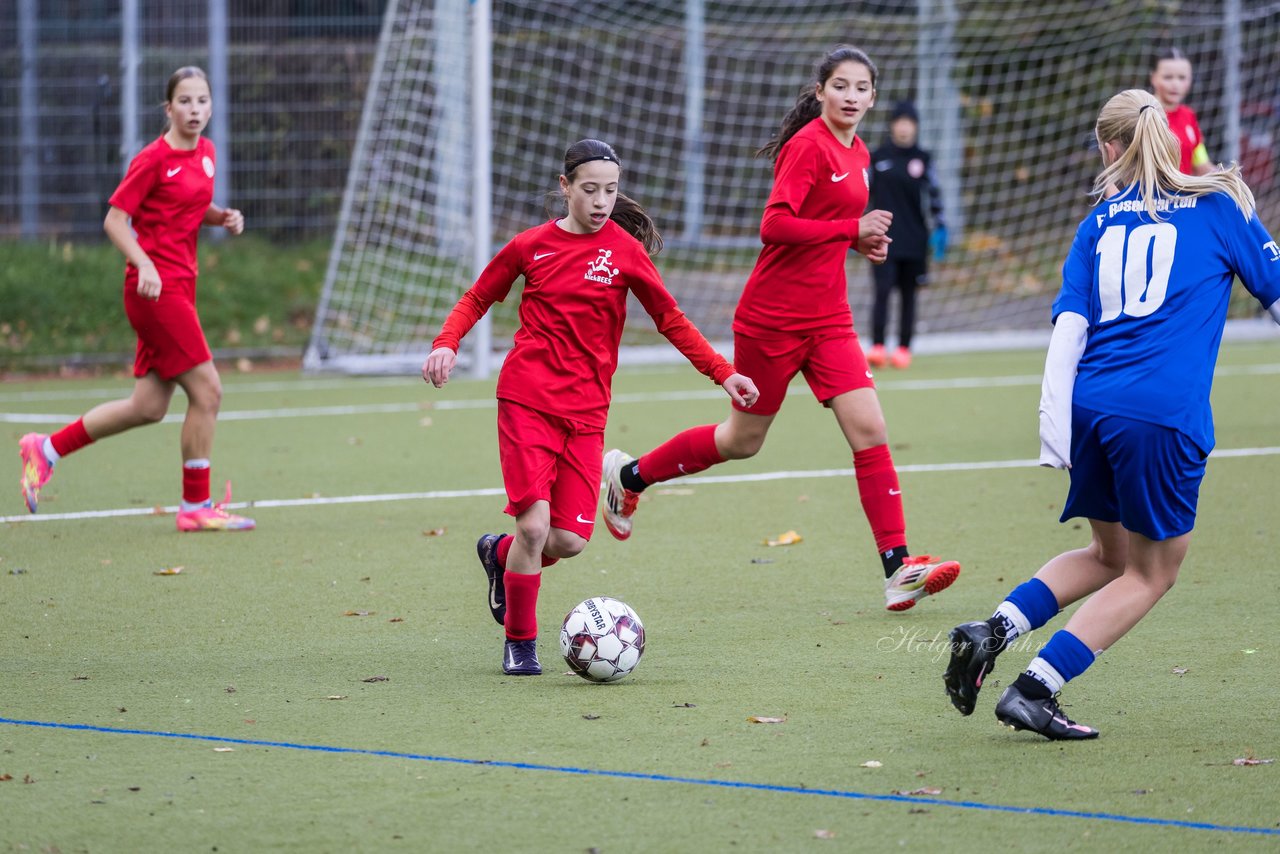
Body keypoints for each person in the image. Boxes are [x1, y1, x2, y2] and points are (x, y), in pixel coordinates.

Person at [942, 89, 1280, 740]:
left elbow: (1069, 327)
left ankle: (994, 630)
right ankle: (1036, 688)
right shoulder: (1221, 205)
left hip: (1090, 406)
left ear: (1107, 148)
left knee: (1108, 552)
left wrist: (1053, 424)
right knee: (1153, 573)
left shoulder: (1098, 222)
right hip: (1160, 414)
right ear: (1170, 138)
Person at [599, 46, 961, 612]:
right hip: (772, 319)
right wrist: (849, 228)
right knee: (741, 441)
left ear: (871, 96)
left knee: (870, 429)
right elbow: (775, 226)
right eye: (840, 85)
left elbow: (829, 227)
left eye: (861, 88)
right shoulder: (806, 146)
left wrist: (860, 239)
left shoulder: (861, 150)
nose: (851, 96)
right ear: (820, 91)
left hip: (831, 320)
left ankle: (899, 569)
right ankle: (630, 477)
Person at [422, 139, 758, 676]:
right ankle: (521, 645)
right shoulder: (531, 246)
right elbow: (478, 296)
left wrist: (725, 373)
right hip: (527, 400)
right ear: (565, 188)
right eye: (590, 190)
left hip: (586, 414)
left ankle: (499, 553)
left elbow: (670, 319)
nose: (602, 200)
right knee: (536, 528)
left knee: (569, 541)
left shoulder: (625, 252)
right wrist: (447, 341)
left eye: (611, 190)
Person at [18, 66, 254, 532]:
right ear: (168, 108)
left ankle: (45, 449)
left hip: (181, 286)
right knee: (208, 392)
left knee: (148, 406)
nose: (195, 109)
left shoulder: (206, 153)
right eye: (185, 101)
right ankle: (195, 508)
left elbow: (183, 207)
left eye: (202, 101)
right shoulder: (151, 159)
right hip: (154, 291)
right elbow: (115, 221)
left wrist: (220, 217)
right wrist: (143, 263)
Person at [867, 100, 947, 370]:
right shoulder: (876, 157)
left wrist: (940, 227)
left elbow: (934, 195)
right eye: (899, 122)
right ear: (892, 125)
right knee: (882, 291)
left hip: (915, 240)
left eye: (909, 122)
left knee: (909, 295)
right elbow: (862, 195)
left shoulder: (923, 159)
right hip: (881, 239)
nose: (904, 127)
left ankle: (903, 348)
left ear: (915, 126)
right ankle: (877, 346)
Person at [1151, 48, 1214, 175]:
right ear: (1154, 78)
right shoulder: (1143, 115)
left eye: (1182, 78)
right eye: (1168, 77)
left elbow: (1201, 163)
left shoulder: (1189, 115)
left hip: (1184, 194)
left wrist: (1226, 178)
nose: (1175, 84)